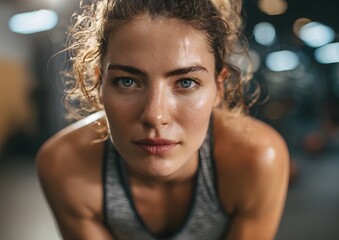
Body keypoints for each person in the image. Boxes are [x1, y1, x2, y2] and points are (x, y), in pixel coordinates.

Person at [37, 0, 290, 239]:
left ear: (219, 87)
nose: (154, 116)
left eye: (186, 82)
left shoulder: (257, 159)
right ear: (99, 84)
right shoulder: (64, 165)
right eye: (128, 81)